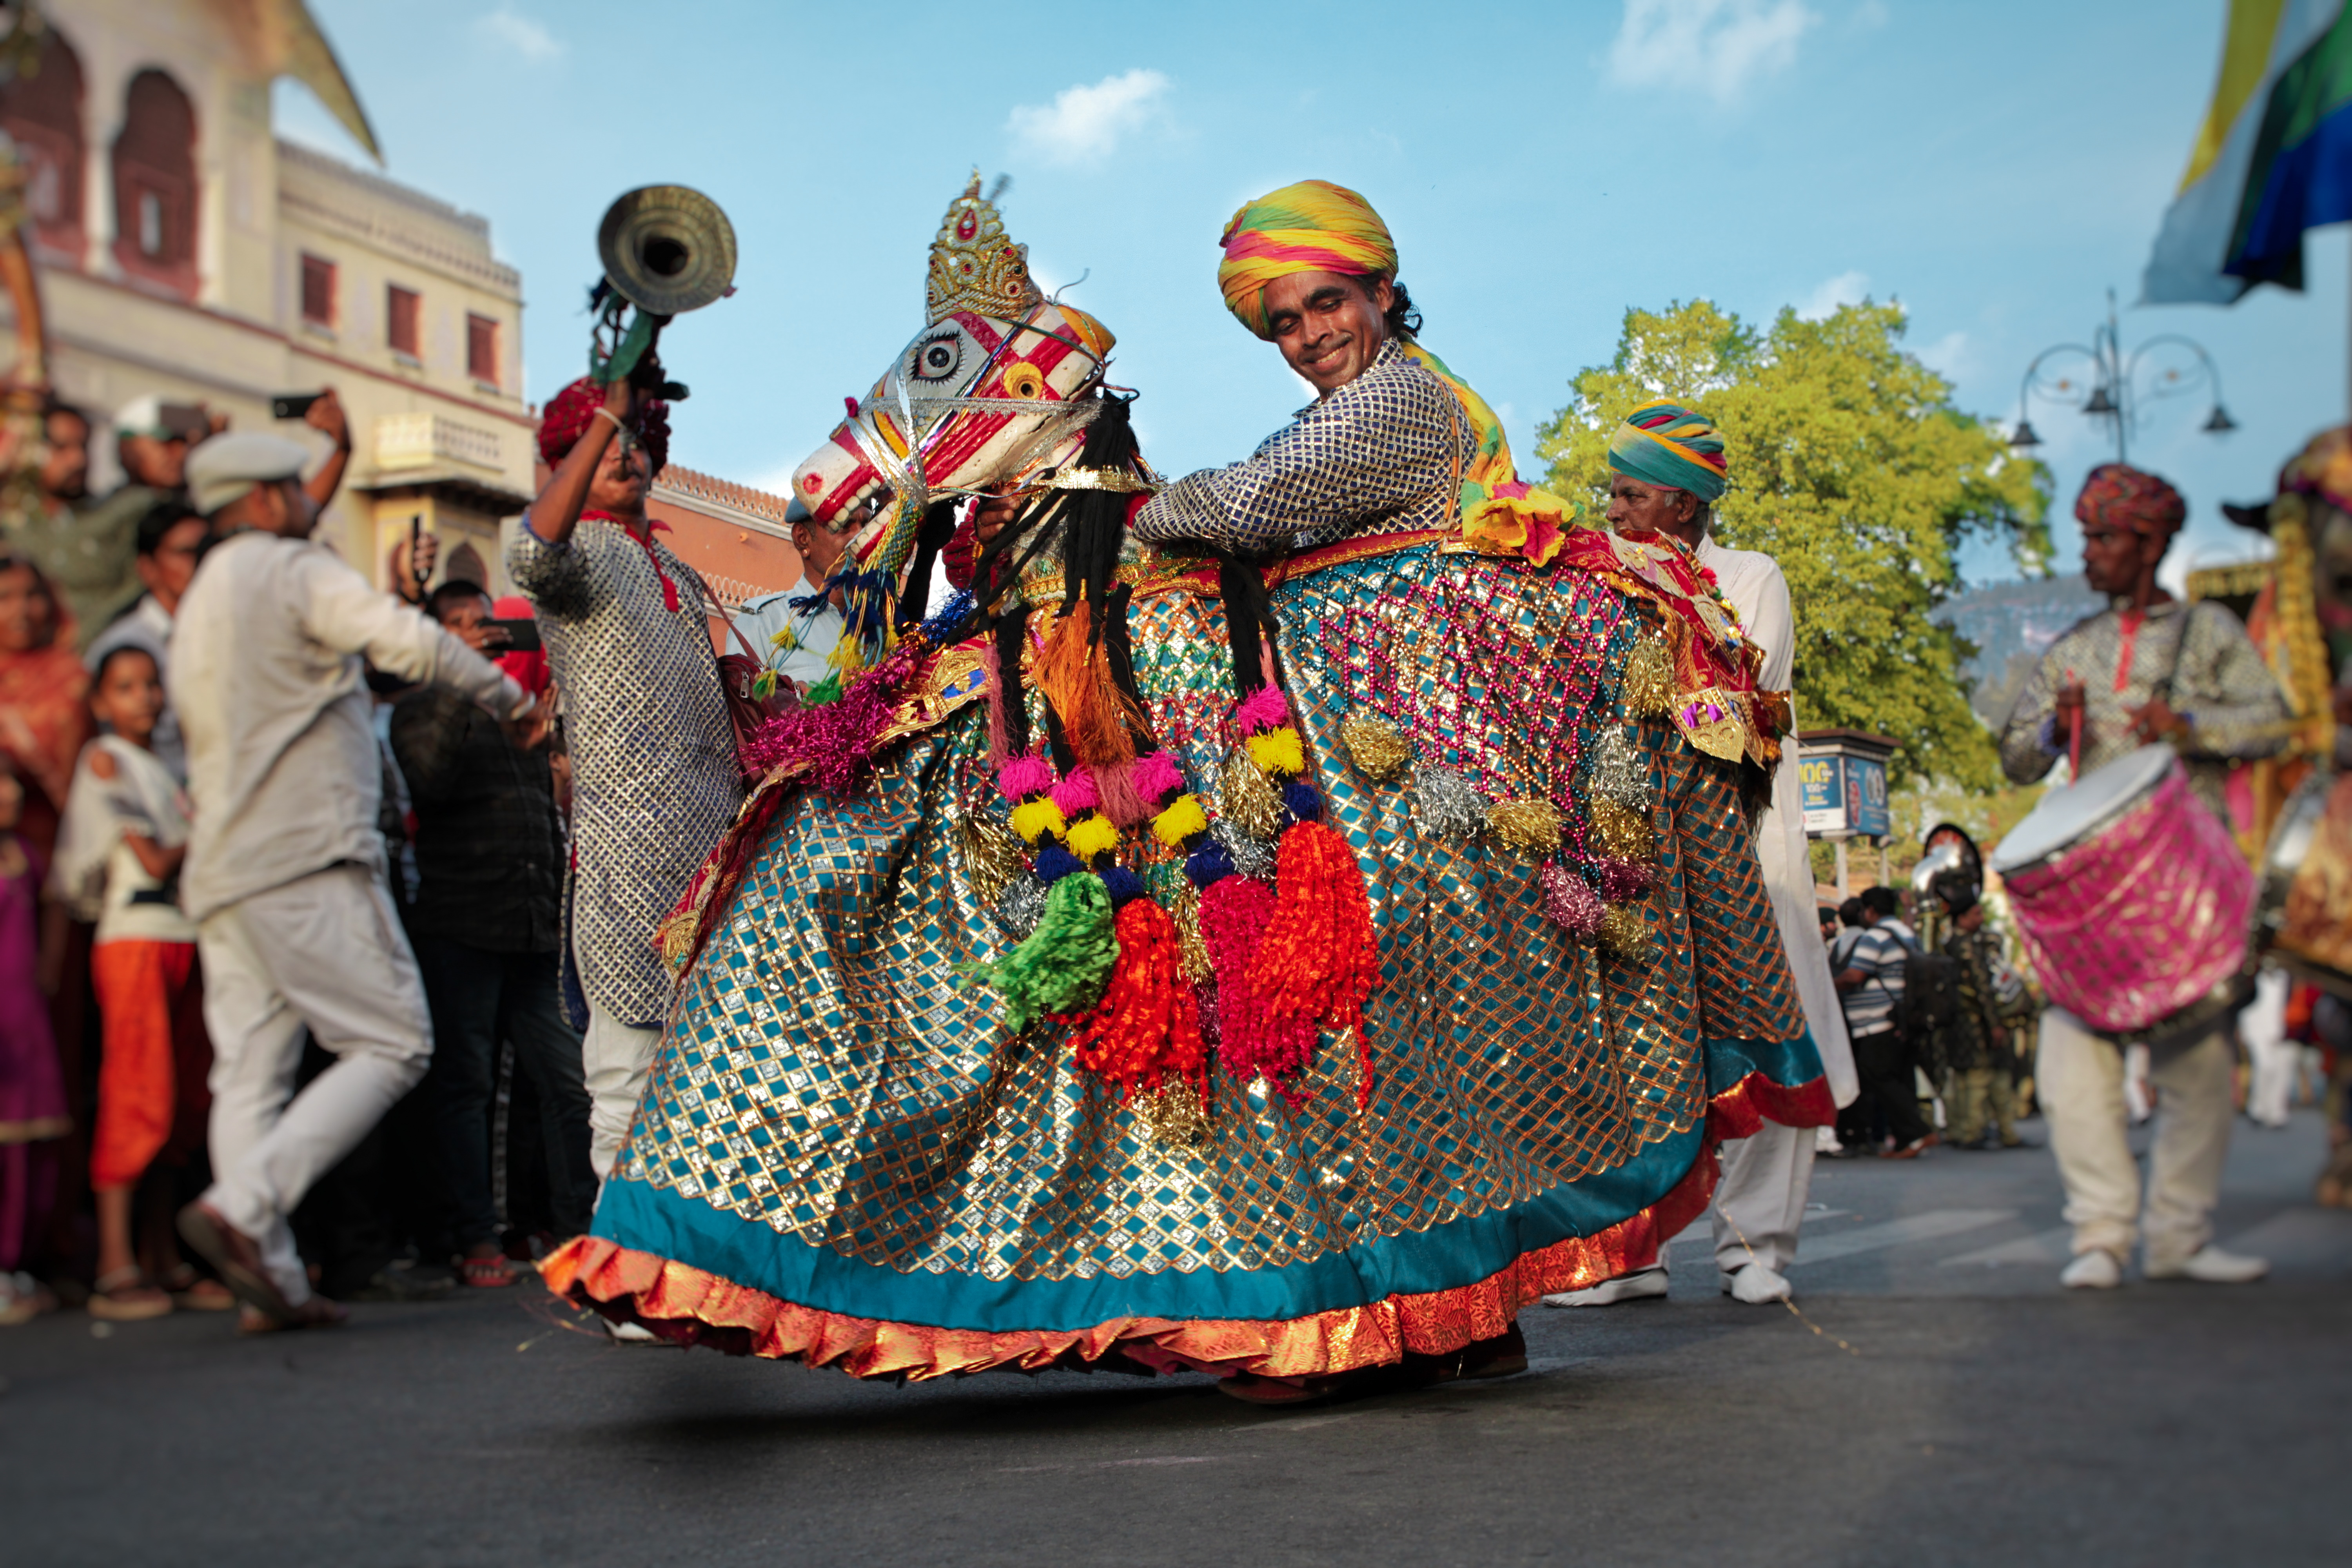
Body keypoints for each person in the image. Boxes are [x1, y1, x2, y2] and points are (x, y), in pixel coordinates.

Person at [544, 177, 1832, 1400]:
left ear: (1382, 290)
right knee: (1390, 1054)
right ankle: (1442, 1319)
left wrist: (1108, 509)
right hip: (1372, 717)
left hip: (1408, 732)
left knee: (1367, 1037)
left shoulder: (1398, 402)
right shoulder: (1368, 395)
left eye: (1326, 304)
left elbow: (1255, 503)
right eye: (1285, 321)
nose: (1309, 335)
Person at [168, 432, 533, 1331]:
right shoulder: (289, 568)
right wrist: (511, 698)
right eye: (293, 484)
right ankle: (245, 1207)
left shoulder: (201, 602)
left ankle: (277, 1281)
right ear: (258, 500)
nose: (306, 496)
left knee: (250, 1072)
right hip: (306, 854)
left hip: (226, 867)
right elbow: (404, 638)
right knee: (396, 1040)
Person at [1552, 410, 1859, 1307]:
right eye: (1613, 490)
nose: (1612, 507)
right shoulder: (1590, 581)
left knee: (1767, 1027)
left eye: (1631, 492)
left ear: (1684, 506)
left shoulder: (1748, 577)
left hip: (1740, 848)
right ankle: (1628, 1249)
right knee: (1635, 1046)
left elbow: (1737, 703)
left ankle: (1756, 1243)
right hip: (1628, 850)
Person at [1999, 463, 2285, 1289]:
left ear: (2152, 544)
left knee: (2196, 1067)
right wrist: (2053, 727)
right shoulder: (2074, 646)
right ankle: (2101, 1232)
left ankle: (2179, 1236)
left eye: (2105, 538)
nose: (2089, 553)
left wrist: (2190, 725)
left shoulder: (2211, 634)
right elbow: (2016, 757)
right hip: (2092, 891)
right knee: (2069, 1066)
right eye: (2086, 536)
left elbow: (2272, 724)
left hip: (2184, 882)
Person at [506, 373, 742, 1184]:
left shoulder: (676, 564)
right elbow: (531, 551)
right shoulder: (580, 557)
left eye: (637, 438)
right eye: (603, 442)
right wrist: (605, 415)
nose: (626, 454)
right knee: (626, 1077)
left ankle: (679, 1278)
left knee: (708, 1081)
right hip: (627, 856)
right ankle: (622, 1283)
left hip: (714, 848)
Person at [390, 580, 593, 1287]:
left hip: (532, 933)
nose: (478, 634)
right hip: (463, 929)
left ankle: (581, 1235)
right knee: (467, 1088)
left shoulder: (518, 714)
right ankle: (475, 1236)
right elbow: (430, 781)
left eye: (484, 624)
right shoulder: (422, 708)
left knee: (570, 1082)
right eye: (458, 626)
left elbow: (546, 817)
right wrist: (455, 677)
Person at [51, 646, 212, 1319]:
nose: (144, 698)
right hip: (136, 939)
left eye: (151, 685)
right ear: (100, 703)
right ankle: (116, 1263)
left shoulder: (160, 768)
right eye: (126, 687)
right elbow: (149, 855)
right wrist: (206, 825)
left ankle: (161, 1256)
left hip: (179, 934)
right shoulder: (104, 763)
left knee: (180, 1097)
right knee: (137, 1091)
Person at [0, 755, 67, 1326]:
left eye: (12, 783)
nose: (8, 795)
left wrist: (49, 965)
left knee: (33, 1149)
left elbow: (55, 906)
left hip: (27, 1014)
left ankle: (19, 1263)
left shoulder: (26, 856)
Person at [84, 499, 206, 779]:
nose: (201, 562)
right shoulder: (120, 648)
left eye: (206, 550)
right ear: (147, 568)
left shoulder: (229, 633)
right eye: (186, 553)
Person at [0, 551, 92, 860]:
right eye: (4, 598)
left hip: (63, 844)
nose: (21, 610)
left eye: (33, 596)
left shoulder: (71, 678)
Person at [1835, 884, 1932, 1158]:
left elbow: (1855, 976)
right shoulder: (1905, 933)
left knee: (1878, 1076)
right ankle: (1905, 1141)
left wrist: (1827, 986)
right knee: (1898, 1077)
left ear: (1870, 911)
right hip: (1903, 1018)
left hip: (1877, 1020)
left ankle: (1918, 1131)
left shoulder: (1875, 937)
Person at [1936, 880, 2022, 1151]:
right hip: (1976, 1024)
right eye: (1976, 914)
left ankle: (1966, 1129)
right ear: (1962, 918)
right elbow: (1983, 989)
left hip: (1957, 1023)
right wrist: (1995, 1023)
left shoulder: (1947, 944)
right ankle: (1974, 1131)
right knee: (1979, 1077)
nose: (1981, 920)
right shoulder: (1970, 948)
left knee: (1966, 1078)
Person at [733, 504, 849, 697]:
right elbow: (746, 718)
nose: (861, 536)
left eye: (866, 524)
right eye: (844, 525)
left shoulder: (886, 628)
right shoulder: (763, 621)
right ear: (802, 539)